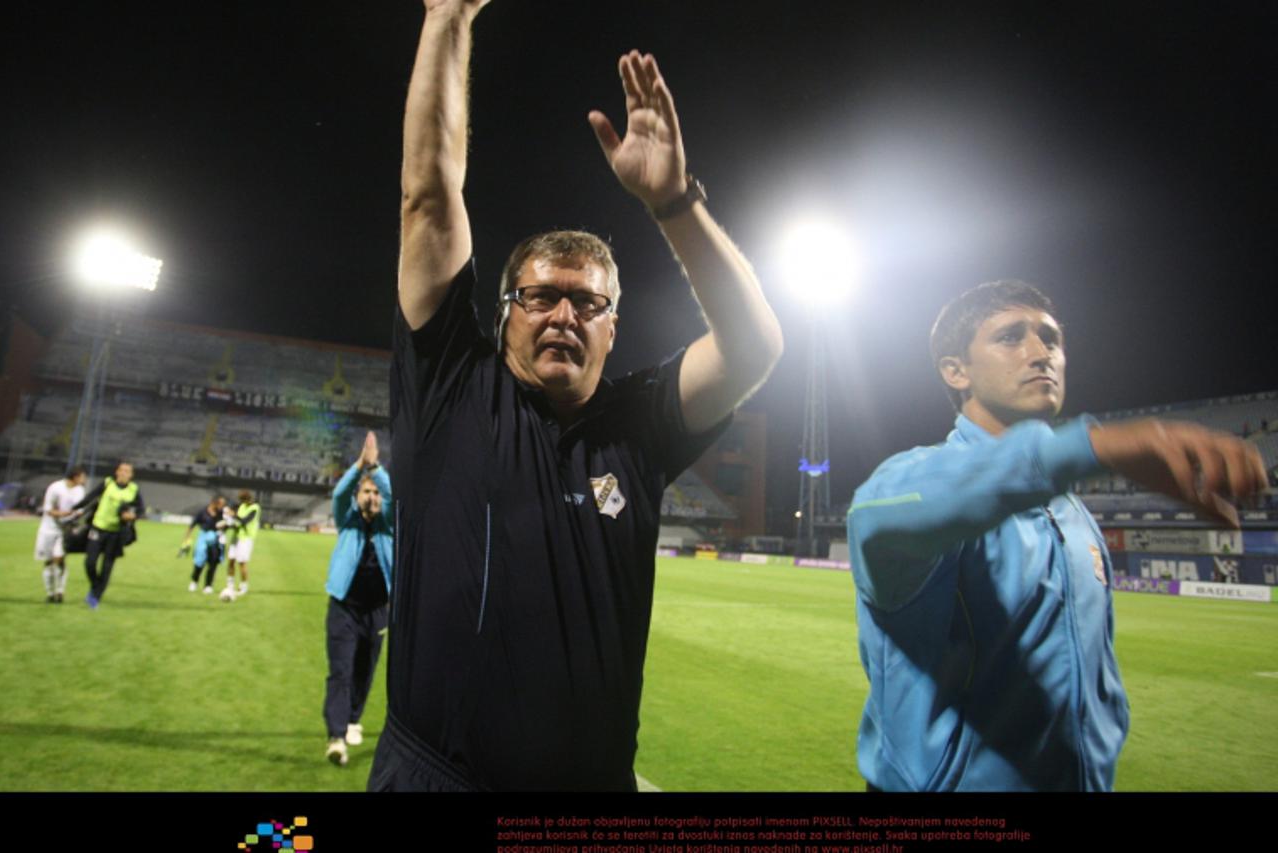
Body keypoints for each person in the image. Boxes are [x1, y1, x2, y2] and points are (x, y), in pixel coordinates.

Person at [369, 0, 783, 791]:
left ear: (613, 328)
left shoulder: (638, 425)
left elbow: (756, 348)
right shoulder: (453, 385)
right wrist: (448, 16)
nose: (564, 314)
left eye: (587, 303)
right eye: (541, 296)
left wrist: (675, 201)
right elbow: (428, 195)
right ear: (504, 313)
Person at [846, 280, 1268, 791]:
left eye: (1051, 338)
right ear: (956, 371)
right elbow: (878, 518)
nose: (1041, 352)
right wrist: (1095, 447)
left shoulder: (1072, 513)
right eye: (1010, 337)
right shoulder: (914, 481)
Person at [324, 432, 392, 768]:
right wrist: (359, 467)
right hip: (344, 608)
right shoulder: (347, 521)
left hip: (378, 611)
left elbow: (393, 495)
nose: (373, 496)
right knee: (340, 670)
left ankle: (353, 719)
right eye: (367, 490)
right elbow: (338, 493)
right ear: (358, 496)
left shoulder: (389, 525)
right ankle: (336, 737)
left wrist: (375, 468)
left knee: (365, 671)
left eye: (376, 492)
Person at [71, 461, 145, 609]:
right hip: (98, 528)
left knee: (107, 566)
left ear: (131, 475)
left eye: (127, 471)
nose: (124, 473)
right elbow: (90, 497)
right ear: (117, 471)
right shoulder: (107, 483)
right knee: (90, 562)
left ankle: (95, 597)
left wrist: (131, 516)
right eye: (122, 470)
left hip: (116, 532)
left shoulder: (133, 489)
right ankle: (96, 586)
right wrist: (73, 508)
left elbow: (140, 509)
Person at [35, 467, 87, 603]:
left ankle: (60, 591)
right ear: (75, 477)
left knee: (59, 558)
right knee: (48, 562)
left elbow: (79, 510)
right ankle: (50, 593)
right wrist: (63, 514)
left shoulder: (80, 491)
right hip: (48, 529)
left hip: (64, 531)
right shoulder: (55, 487)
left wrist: (77, 515)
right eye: (82, 477)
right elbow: (48, 509)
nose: (84, 480)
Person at [182, 496, 227, 594]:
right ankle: (194, 582)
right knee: (199, 561)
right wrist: (187, 538)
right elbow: (193, 524)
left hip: (216, 540)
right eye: (220, 504)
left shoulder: (221, 513)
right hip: (203, 539)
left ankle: (208, 585)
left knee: (213, 563)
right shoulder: (202, 512)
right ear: (214, 503)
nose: (222, 506)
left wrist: (224, 525)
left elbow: (225, 526)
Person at [222, 490, 261, 599]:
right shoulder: (242, 506)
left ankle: (243, 586)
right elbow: (236, 521)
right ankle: (230, 585)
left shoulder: (255, 508)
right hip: (236, 536)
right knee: (230, 561)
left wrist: (233, 515)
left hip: (246, 539)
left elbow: (245, 521)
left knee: (241, 563)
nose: (244, 502)